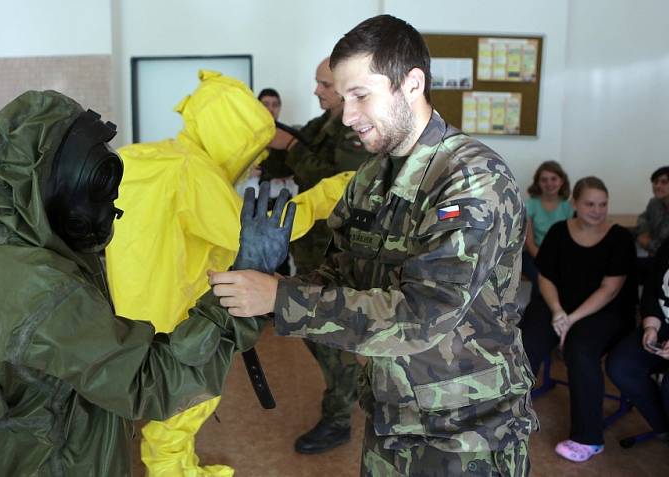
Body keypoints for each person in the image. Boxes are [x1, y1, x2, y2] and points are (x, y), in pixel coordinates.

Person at [210, 15, 536, 476]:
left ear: (412, 84)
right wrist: (265, 283)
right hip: (392, 412)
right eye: (343, 98)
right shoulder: (370, 178)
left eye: (361, 95)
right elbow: (342, 274)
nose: (347, 115)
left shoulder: (470, 180)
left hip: (468, 432)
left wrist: (281, 299)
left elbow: (426, 317)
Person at [0, 90, 288, 477]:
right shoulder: (44, 290)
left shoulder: (1, 262)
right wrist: (239, 292)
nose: (109, 201)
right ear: (53, 184)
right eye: (96, 181)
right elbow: (152, 383)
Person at [105, 70, 350, 476]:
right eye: (250, 148)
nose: (254, 160)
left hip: (131, 312)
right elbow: (256, 233)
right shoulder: (193, 173)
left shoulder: (143, 156)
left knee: (168, 404)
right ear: (230, 134)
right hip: (179, 316)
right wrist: (330, 193)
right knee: (183, 409)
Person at [258, 57, 375, 455]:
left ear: (345, 87)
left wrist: (288, 147)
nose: (316, 91)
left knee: (330, 335)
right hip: (311, 248)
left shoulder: (358, 132)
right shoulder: (322, 124)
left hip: (338, 253)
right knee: (313, 330)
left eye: (324, 85)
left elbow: (332, 182)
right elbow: (285, 154)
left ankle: (339, 417)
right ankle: (348, 398)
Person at [518, 176, 637, 462]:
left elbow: (610, 290)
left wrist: (570, 320)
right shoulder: (560, 232)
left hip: (602, 311)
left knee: (579, 349)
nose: (597, 210)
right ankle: (505, 412)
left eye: (603, 204)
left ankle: (588, 438)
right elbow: (545, 275)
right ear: (575, 203)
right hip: (557, 303)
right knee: (526, 339)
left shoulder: (619, 237)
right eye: (590, 204)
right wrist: (558, 311)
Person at [606, 239, 669, 444]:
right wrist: (651, 326)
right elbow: (651, 289)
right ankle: (663, 426)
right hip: (662, 324)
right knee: (621, 366)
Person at [523, 161, 573, 297]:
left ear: (561, 181)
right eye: (544, 180)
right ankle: (537, 315)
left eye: (553, 179)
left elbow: (569, 240)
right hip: (533, 256)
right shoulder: (530, 205)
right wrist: (548, 261)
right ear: (538, 183)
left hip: (561, 256)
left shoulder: (568, 207)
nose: (549, 183)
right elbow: (529, 243)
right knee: (542, 278)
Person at [635, 166, 669, 255]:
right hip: (654, 259)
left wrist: (647, 243)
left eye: (664, 182)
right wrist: (644, 231)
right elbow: (643, 217)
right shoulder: (654, 202)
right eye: (655, 182)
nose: (658, 186)